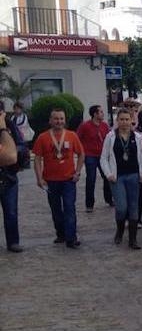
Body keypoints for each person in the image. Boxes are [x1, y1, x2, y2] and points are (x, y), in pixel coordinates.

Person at [33, 108, 85, 249]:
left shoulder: (72, 135)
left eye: (61, 118)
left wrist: (78, 172)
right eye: (56, 118)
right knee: (56, 209)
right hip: (51, 180)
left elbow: (81, 154)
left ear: (65, 120)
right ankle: (61, 233)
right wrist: (39, 178)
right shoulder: (42, 137)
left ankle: (71, 238)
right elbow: (37, 159)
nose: (59, 121)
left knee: (69, 207)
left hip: (68, 179)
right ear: (50, 120)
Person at [100, 108, 142, 250]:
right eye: (121, 119)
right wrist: (108, 173)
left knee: (134, 207)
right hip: (117, 176)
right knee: (121, 207)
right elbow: (104, 158)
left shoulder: (138, 137)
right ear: (117, 121)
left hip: (134, 175)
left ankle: (133, 239)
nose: (124, 122)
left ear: (131, 121)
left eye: (127, 119)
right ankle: (120, 229)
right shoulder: (110, 137)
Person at [77, 105, 112, 212]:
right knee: (91, 179)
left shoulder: (105, 125)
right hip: (90, 155)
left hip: (102, 156)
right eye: (100, 112)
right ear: (95, 114)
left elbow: (109, 138)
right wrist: (81, 152)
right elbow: (77, 138)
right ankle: (89, 204)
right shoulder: (85, 126)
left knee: (107, 177)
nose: (102, 113)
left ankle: (109, 199)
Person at [0, 108, 23, 252]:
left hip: (8, 176)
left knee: (11, 211)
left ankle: (13, 242)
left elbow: (20, 145)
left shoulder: (9, 124)